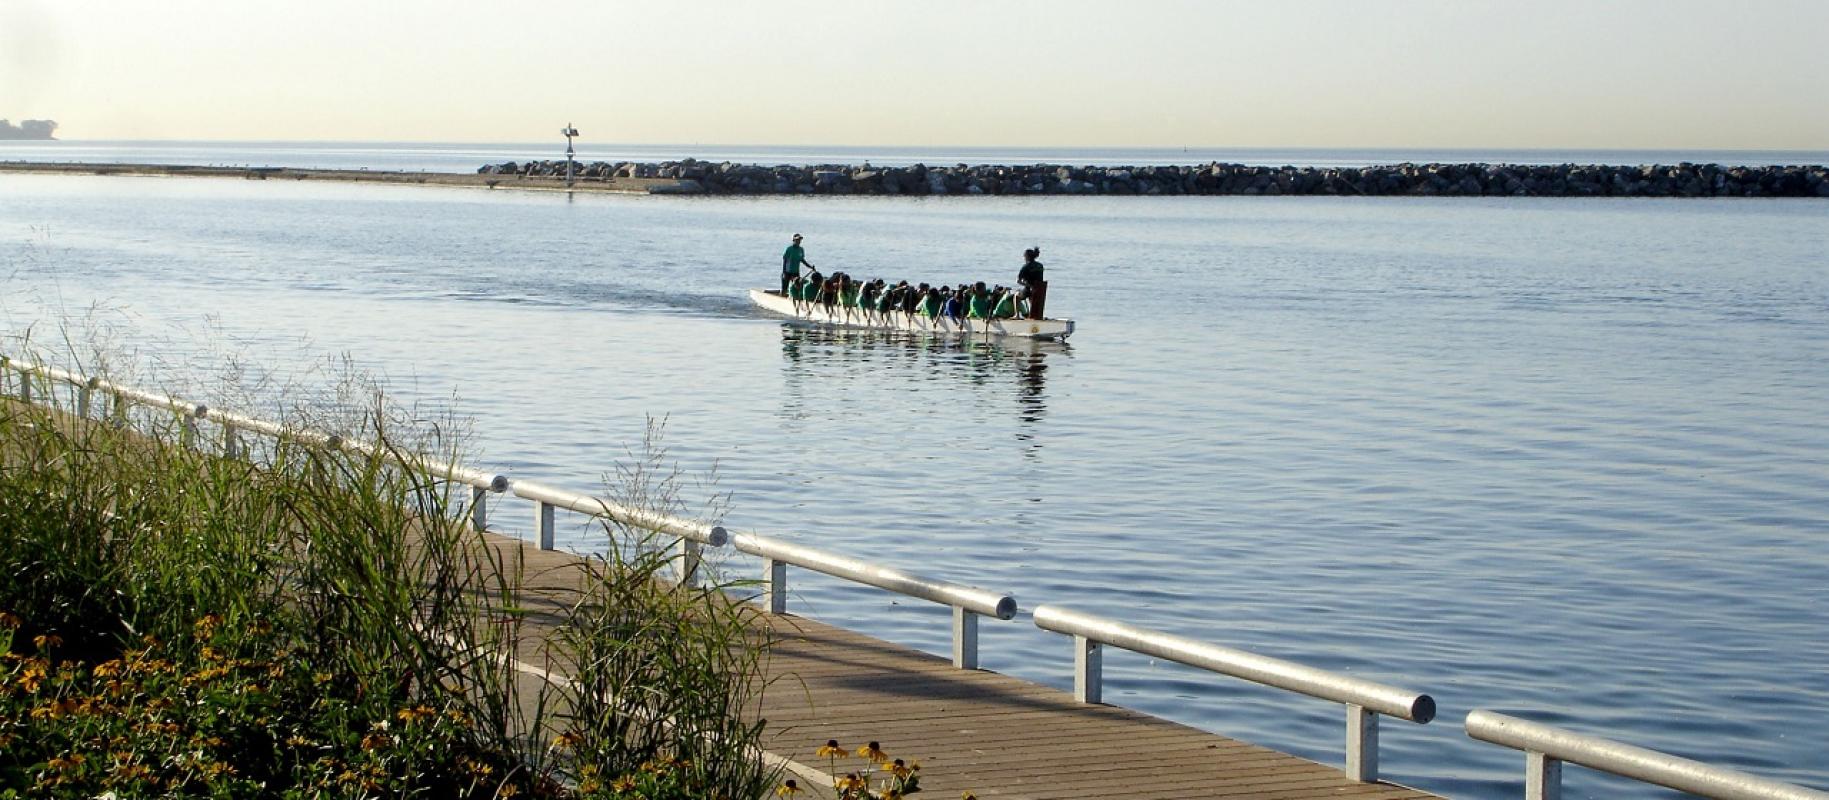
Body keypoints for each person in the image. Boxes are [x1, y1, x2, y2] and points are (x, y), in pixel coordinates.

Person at [1017, 246, 1047, 319]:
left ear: (1027, 257)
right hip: (1040, 289)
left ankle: (1017, 315)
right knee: (1032, 298)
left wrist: (1028, 285)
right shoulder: (1040, 265)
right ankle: (1034, 315)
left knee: (1016, 296)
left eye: (1024, 256)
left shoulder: (1026, 266)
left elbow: (1018, 281)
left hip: (1030, 289)